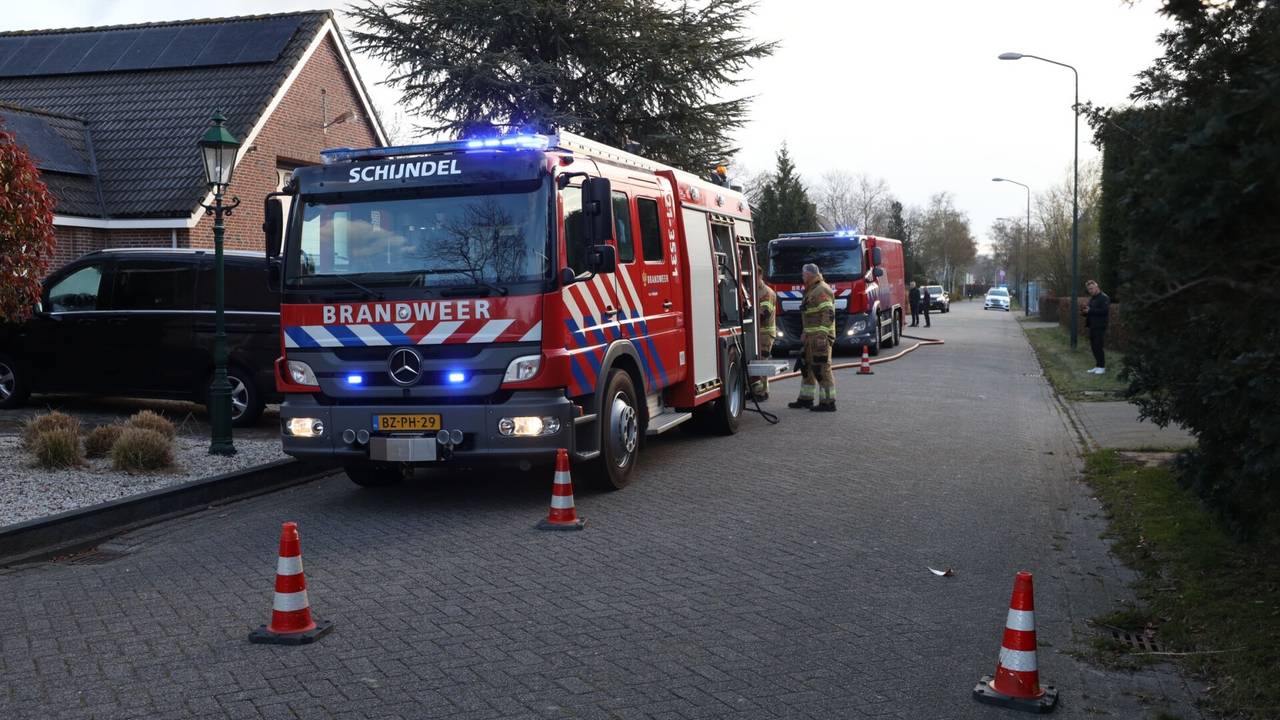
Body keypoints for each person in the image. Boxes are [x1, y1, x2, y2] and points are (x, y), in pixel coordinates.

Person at [788, 263, 837, 412]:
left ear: (809, 275)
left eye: (803, 275)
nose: (802, 278)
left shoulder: (821, 290)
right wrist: (805, 332)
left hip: (819, 338)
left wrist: (822, 335)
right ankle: (806, 399)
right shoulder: (812, 290)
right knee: (807, 368)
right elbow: (811, 315)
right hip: (811, 337)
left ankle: (828, 402)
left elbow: (828, 313)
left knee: (822, 369)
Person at [750, 266, 777, 400]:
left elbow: (764, 314)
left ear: (759, 275)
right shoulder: (754, 290)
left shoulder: (766, 293)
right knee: (756, 363)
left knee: (762, 362)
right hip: (757, 333)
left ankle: (763, 392)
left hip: (765, 334)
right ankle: (756, 389)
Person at [1082, 279, 1111, 374]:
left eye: (1092, 288)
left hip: (1100, 326)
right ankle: (1097, 365)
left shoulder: (1104, 298)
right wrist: (1085, 312)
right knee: (1093, 347)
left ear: (1097, 287)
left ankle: (1102, 367)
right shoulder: (1092, 298)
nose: (1090, 291)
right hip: (1092, 326)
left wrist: (1090, 310)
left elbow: (1104, 311)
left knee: (1098, 346)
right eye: (1089, 289)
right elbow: (1091, 311)